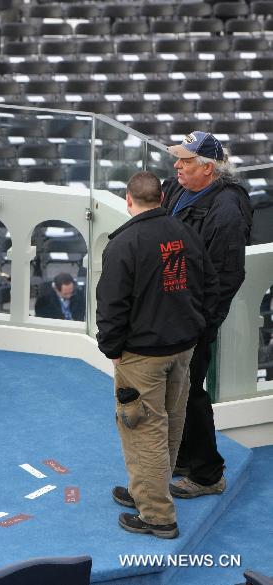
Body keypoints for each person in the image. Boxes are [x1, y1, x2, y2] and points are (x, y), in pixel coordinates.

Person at [97, 171, 218, 539]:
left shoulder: (124, 243)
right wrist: (196, 328)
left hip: (143, 356)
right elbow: (209, 286)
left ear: (128, 200)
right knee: (170, 424)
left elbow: (111, 306)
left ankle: (158, 516)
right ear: (163, 197)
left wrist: (112, 350)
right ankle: (145, 491)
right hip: (183, 348)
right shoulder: (186, 234)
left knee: (143, 430)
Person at [160, 131, 253, 499]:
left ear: (208, 169)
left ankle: (208, 473)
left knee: (190, 394)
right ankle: (184, 457)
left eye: (185, 161)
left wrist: (199, 323)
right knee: (177, 393)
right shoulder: (177, 188)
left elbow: (227, 277)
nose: (176, 166)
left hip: (193, 320)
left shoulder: (226, 211)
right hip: (173, 311)